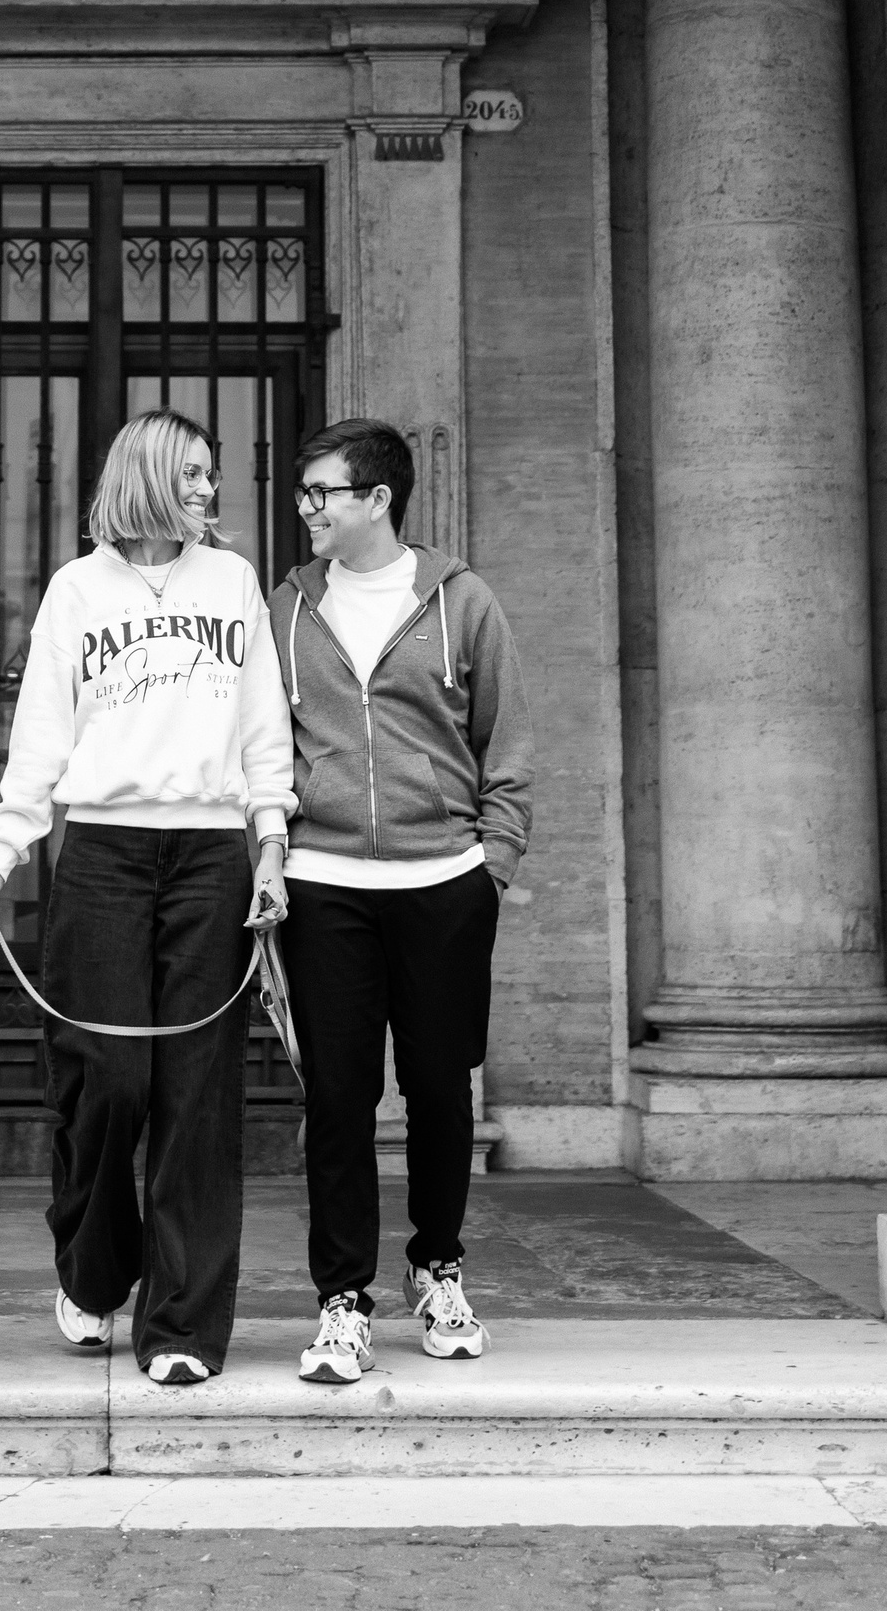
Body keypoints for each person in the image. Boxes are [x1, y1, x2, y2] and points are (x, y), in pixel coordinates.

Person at [0, 407, 294, 1387]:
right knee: (107, 1076)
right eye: (192, 474)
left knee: (199, 1093)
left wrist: (271, 843)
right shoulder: (77, 590)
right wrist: (2, 850)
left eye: (212, 474)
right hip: (101, 851)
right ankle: (96, 1271)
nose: (210, 490)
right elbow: (41, 735)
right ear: (146, 476)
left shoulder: (231, 582)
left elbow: (263, 726)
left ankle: (182, 1328)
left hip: (212, 855)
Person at [268, 417, 533, 1385]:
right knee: (338, 1099)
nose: (307, 509)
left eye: (322, 493)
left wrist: (491, 863)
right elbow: (267, 743)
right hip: (325, 885)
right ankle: (342, 1299)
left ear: (377, 499)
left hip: (442, 883)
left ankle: (438, 1268)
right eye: (304, 493)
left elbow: (507, 743)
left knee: (440, 1095)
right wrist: (274, 854)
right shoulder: (287, 608)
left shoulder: (463, 602)